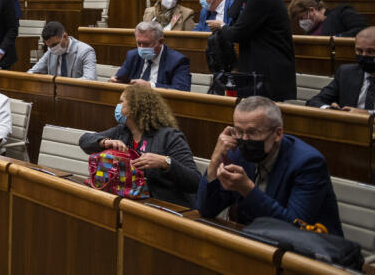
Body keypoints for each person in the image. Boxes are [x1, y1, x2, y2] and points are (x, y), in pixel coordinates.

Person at [197, 96, 342, 236]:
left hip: (312, 254)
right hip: (254, 243)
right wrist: (215, 160)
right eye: (239, 131)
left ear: (278, 133)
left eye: (252, 132)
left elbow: (296, 230)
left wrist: (248, 189)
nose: (244, 140)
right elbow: (206, 210)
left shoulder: (308, 163)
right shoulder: (238, 153)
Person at [79, 85, 200, 208]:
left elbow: (195, 181)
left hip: (165, 206)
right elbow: (84, 141)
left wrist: (165, 162)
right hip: (130, 201)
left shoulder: (169, 136)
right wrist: (104, 142)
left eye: (121, 102)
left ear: (135, 107)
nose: (117, 106)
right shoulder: (122, 131)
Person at [207, 0, 296, 102]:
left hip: (267, 71)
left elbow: (237, 33)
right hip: (266, 69)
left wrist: (221, 26)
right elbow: (234, 13)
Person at [308, 26, 375, 112]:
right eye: (359, 51)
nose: (364, 55)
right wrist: (329, 109)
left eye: (370, 51)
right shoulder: (346, 72)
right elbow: (315, 101)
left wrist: (367, 114)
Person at [110, 21, 191, 91]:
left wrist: (150, 86)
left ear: (161, 41)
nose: (141, 48)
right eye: (139, 43)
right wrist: (115, 81)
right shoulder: (132, 56)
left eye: (146, 44)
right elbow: (119, 80)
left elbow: (182, 89)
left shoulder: (178, 61)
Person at [27, 21, 97, 80]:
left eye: (55, 44)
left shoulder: (86, 52)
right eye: (49, 46)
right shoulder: (50, 51)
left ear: (65, 37)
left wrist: (64, 85)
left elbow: (89, 79)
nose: (52, 48)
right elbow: (33, 72)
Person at [287, 0, 368, 38]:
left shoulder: (341, 12)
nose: (301, 22)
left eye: (301, 18)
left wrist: (336, 38)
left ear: (312, 10)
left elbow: (362, 29)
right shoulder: (310, 32)